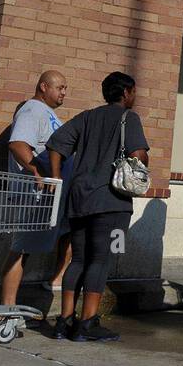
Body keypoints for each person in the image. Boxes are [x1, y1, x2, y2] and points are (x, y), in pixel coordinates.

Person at [45, 71, 148, 342]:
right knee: (101, 259)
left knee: (78, 259)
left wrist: (56, 177)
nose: (134, 97)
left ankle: (64, 321)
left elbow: (56, 144)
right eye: (133, 92)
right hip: (112, 201)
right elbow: (138, 155)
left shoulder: (87, 117)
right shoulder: (130, 118)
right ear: (125, 93)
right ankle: (88, 322)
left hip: (79, 198)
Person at [0, 70, 71, 326]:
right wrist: (36, 171)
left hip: (49, 194)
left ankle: (55, 281)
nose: (64, 93)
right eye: (60, 87)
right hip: (33, 193)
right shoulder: (32, 110)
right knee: (21, 248)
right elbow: (18, 144)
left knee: (67, 232)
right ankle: (5, 309)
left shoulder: (49, 115)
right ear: (43, 87)